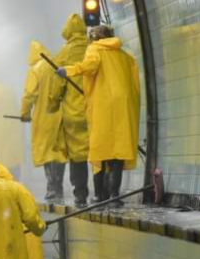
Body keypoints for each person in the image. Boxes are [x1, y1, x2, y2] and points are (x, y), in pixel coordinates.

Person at [57, 25, 140, 207]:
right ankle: (114, 196)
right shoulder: (125, 57)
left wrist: (68, 71)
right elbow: (135, 85)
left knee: (100, 149)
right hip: (123, 107)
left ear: (95, 38)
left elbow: (90, 65)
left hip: (103, 105)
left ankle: (99, 196)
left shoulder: (94, 49)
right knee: (117, 152)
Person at [49, 14, 91, 207]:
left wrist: (53, 104)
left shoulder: (64, 53)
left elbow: (58, 83)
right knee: (99, 152)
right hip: (95, 109)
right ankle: (104, 192)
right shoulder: (94, 48)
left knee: (77, 156)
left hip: (73, 111)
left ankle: (80, 194)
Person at [20, 40, 67, 201]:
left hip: (44, 116)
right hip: (61, 115)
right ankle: (59, 187)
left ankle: (52, 188)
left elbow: (29, 94)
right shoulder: (57, 64)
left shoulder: (35, 69)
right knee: (60, 152)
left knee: (47, 153)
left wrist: (25, 113)